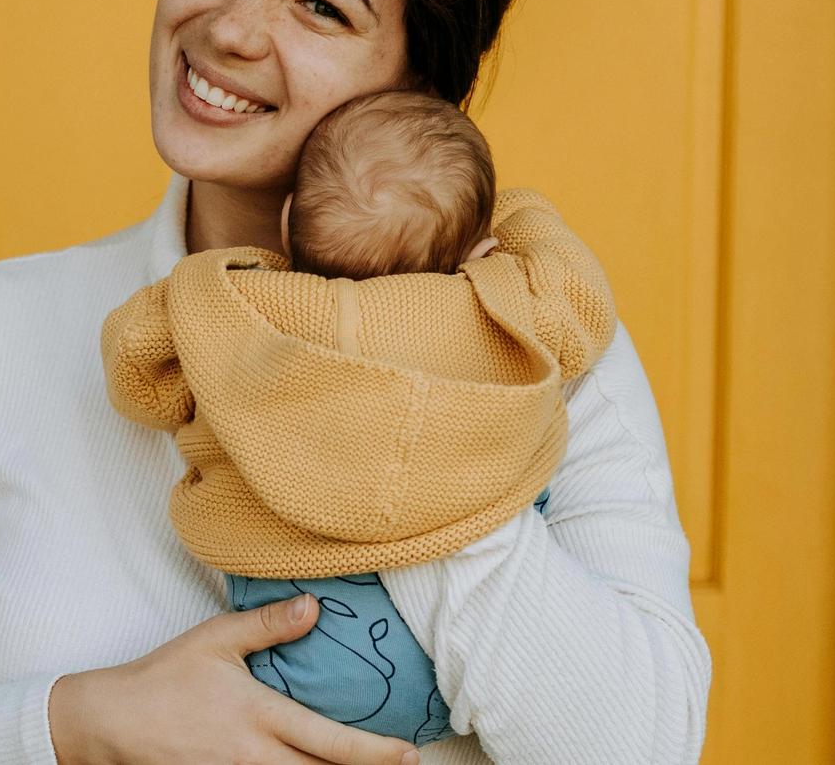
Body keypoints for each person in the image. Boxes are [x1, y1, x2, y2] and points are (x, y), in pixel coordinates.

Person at [0, 0, 710, 765]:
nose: (232, 27)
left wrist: (406, 413)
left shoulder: (531, 337)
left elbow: (642, 742)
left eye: (321, 6)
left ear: (425, 81)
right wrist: (95, 721)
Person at [100, 89, 619, 748]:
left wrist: (230, 274)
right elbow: (581, 304)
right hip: (455, 688)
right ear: (478, 250)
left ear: (288, 217)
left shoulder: (238, 308)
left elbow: (138, 373)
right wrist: (518, 211)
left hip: (297, 662)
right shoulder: (501, 311)